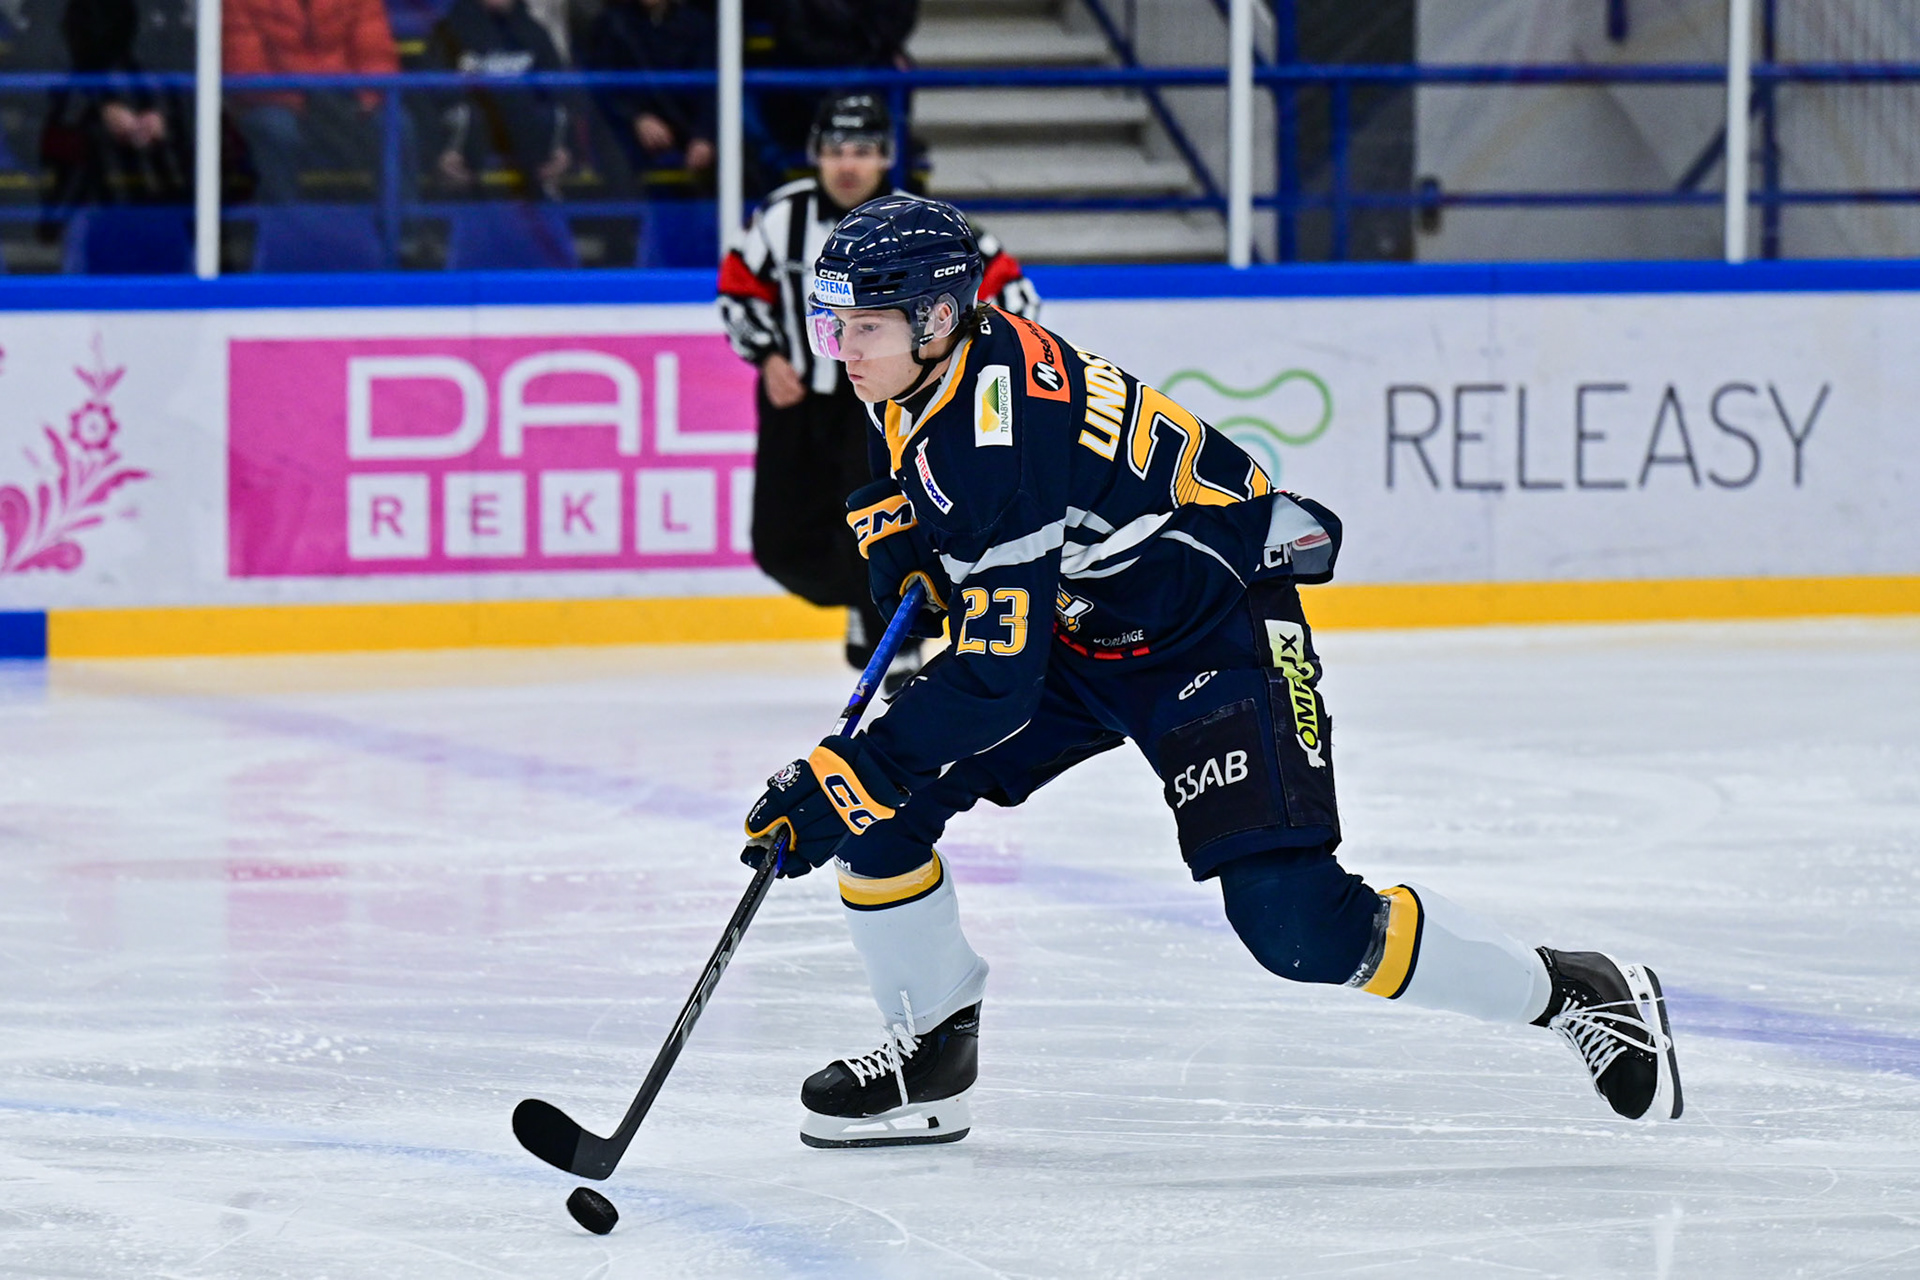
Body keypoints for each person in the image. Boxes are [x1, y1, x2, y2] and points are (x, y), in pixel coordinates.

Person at [738, 194, 1685, 1149]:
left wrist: (849, 774)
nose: (841, 350)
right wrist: (898, 532)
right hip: (1088, 623)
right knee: (884, 812)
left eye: (863, 327)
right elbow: (916, 466)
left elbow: (995, 678)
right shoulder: (933, 367)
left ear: (937, 316)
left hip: (1213, 630)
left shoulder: (995, 437)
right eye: (830, 324)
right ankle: (932, 1057)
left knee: (1298, 926)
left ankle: (1576, 992)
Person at [718, 94, 1039, 684]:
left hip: (891, 398)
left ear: (887, 157)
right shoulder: (780, 219)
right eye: (836, 149)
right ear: (814, 154)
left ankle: (896, 634)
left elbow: (1013, 297)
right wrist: (766, 356)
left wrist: (953, 365)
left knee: (884, 521)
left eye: (863, 151)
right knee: (778, 544)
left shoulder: (924, 224)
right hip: (800, 400)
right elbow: (737, 293)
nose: (848, 164)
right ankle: (862, 600)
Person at [224, 0, 400, 204]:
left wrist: (368, 97)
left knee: (394, 124)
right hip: (277, 101)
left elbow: (375, 55)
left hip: (343, 98)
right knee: (275, 128)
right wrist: (305, 102)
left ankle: (402, 222)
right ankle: (285, 219)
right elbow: (245, 68)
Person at [425, 0, 572, 198]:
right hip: (469, 144)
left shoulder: (534, 31)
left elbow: (561, 92)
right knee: (464, 117)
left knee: (548, 116)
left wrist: (566, 148)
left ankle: (543, 196)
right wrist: (435, 153)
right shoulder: (448, 32)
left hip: (528, 140)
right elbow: (428, 96)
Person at [582, 0, 715, 185]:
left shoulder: (696, 24)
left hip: (687, 126)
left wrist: (704, 136)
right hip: (630, 130)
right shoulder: (611, 24)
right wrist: (637, 117)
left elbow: (711, 89)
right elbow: (603, 87)